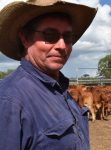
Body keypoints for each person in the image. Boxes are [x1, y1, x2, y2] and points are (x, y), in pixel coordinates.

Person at [0, 0, 97, 149]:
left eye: (68, 37)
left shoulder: (60, 90)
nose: (62, 46)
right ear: (25, 38)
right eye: (50, 35)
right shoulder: (9, 99)